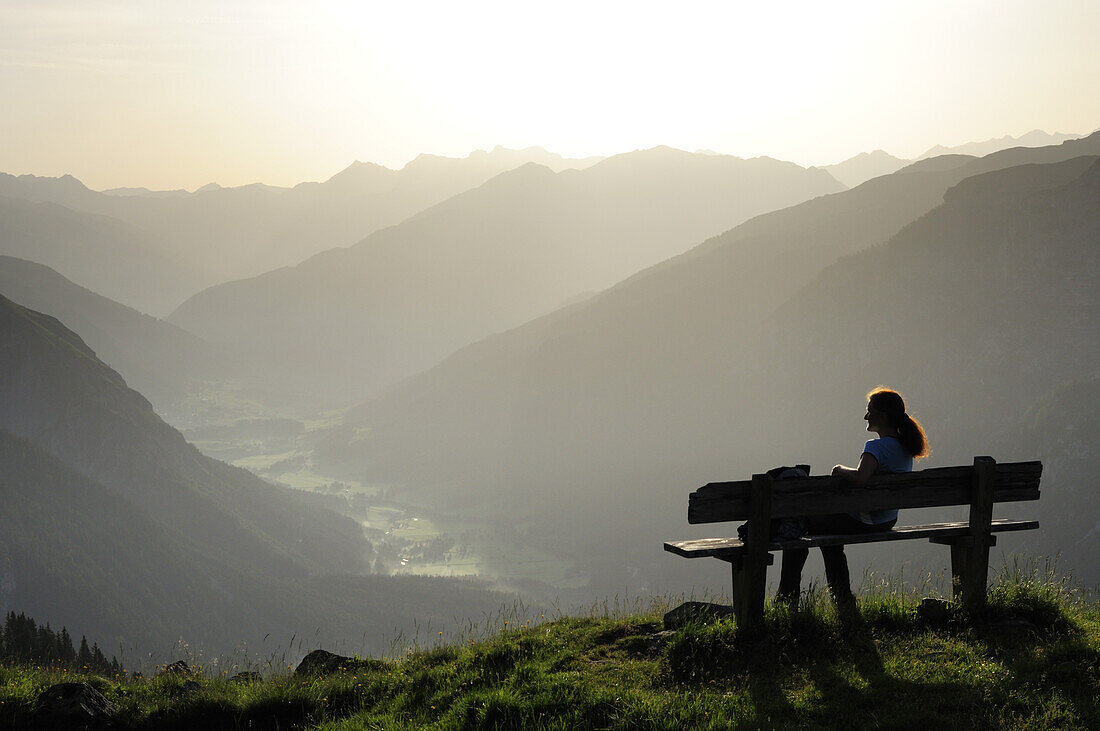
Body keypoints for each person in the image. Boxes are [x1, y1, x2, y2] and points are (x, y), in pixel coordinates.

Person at [776, 387, 929, 610]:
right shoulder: (905, 448)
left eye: (870, 411)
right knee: (830, 539)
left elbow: (860, 478)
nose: (866, 416)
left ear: (882, 416)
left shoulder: (876, 447)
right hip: (887, 520)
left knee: (796, 527)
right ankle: (843, 600)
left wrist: (838, 469)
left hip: (865, 520)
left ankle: (787, 599)